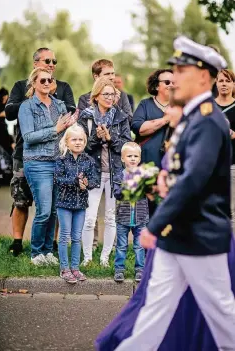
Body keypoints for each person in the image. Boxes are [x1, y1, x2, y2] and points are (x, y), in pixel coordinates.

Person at [96, 37, 235, 351]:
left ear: (203, 76)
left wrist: (154, 226)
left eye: (181, 71)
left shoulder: (209, 120)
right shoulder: (192, 117)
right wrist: (161, 180)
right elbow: (179, 171)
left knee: (224, 317)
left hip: (199, 236)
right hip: (177, 234)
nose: (174, 79)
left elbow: (193, 181)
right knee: (153, 311)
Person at [5, 47, 77, 257]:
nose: (52, 65)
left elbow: (70, 115)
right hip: (29, 157)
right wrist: (39, 94)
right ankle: (21, 244)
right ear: (35, 64)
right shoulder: (21, 90)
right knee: (22, 200)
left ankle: (48, 248)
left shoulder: (62, 90)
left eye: (54, 61)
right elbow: (11, 113)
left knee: (52, 209)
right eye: (47, 61)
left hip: (57, 158)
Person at [78, 59, 133, 251]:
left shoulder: (121, 117)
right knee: (89, 217)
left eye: (112, 94)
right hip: (93, 171)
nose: (110, 97)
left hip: (114, 172)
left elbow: (127, 145)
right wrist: (95, 137)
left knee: (111, 217)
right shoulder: (86, 116)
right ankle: (86, 257)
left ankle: (105, 257)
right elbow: (81, 145)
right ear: (96, 96)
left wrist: (110, 139)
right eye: (106, 94)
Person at [55, 125, 98, 283]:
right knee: (65, 236)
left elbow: (95, 181)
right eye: (74, 139)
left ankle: (75, 268)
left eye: (81, 139)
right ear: (67, 142)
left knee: (76, 237)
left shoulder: (89, 161)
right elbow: (58, 179)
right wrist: (75, 181)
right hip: (64, 204)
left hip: (81, 205)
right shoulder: (61, 160)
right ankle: (64, 269)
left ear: (85, 142)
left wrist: (87, 183)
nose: (78, 142)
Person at [113, 142, 148, 283]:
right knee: (121, 245)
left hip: (140, 217)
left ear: (139, 159)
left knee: (139, 246)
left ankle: (140, 269)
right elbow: (117, 194)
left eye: (135, 156)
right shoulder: (119, 176)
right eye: (129, 156)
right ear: (123, 158)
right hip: (123, 217)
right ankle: (119, 269)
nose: (132, 159)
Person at [131, 69, 174, 169]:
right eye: (167, 82)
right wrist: (165, 120)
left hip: (172, 164)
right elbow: (138, 128)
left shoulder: (181, 106)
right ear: (156, 86)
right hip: (147, 165)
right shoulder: (145, 104)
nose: (171, 85)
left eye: (174, 82)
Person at [215, 69, 235, 231]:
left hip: (232, 166)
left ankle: (231, 252)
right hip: (210, 167)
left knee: (232, 212)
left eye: (227, 81)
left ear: (233, 84)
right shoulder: (208, 107)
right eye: (221, 81)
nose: (224, 84)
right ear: (216, 83)